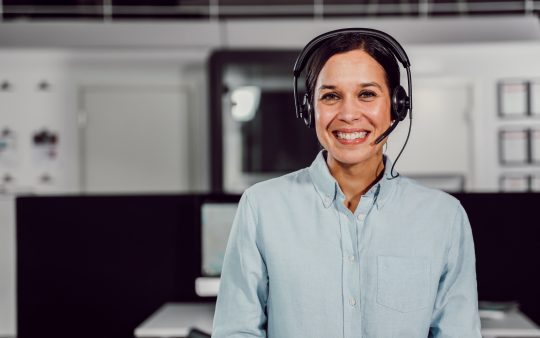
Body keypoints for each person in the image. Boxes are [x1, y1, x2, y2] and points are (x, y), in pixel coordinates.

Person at [212, 29, 481, 337]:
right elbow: (236, 331)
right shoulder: (261, 207)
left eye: (367, 94)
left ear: (397, 106)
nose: (349, 113)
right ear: (308, 109)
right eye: (331, 96)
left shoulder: (443, 217)